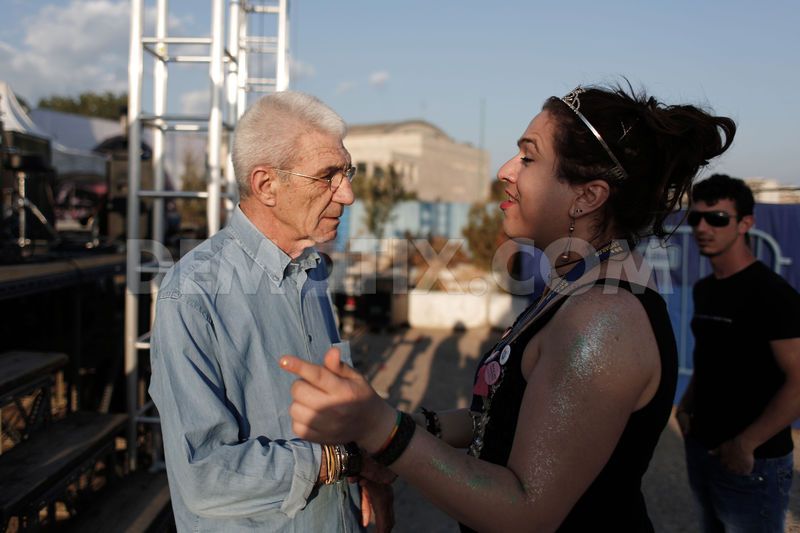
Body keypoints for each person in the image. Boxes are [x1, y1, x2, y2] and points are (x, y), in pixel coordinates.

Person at [278, 83, 736, 532]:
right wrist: (410, 424)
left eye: (529, 157)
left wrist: (382, 430)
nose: (505, 170)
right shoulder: (575, 287)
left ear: (588, 196)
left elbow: (525, 512)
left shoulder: (601, 317)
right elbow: (506, 417)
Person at [149, 91, 393, 532]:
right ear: (266, 185)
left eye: (347, 171)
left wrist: (364, 477)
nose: (349, 194)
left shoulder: (313, 270)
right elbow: (205, 475)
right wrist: (342, 458)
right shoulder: (193, 293)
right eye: (328, 176)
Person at [676, 174, 800, 532]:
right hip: (702, 447)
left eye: (716, 218)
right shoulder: (705, 289)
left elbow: (798, 382)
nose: (702, 227)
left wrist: (745, 445)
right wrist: (686, 406)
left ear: (746, 223)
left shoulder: (773, 296)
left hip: (753, 463)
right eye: (695, 217)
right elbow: (711, 355)